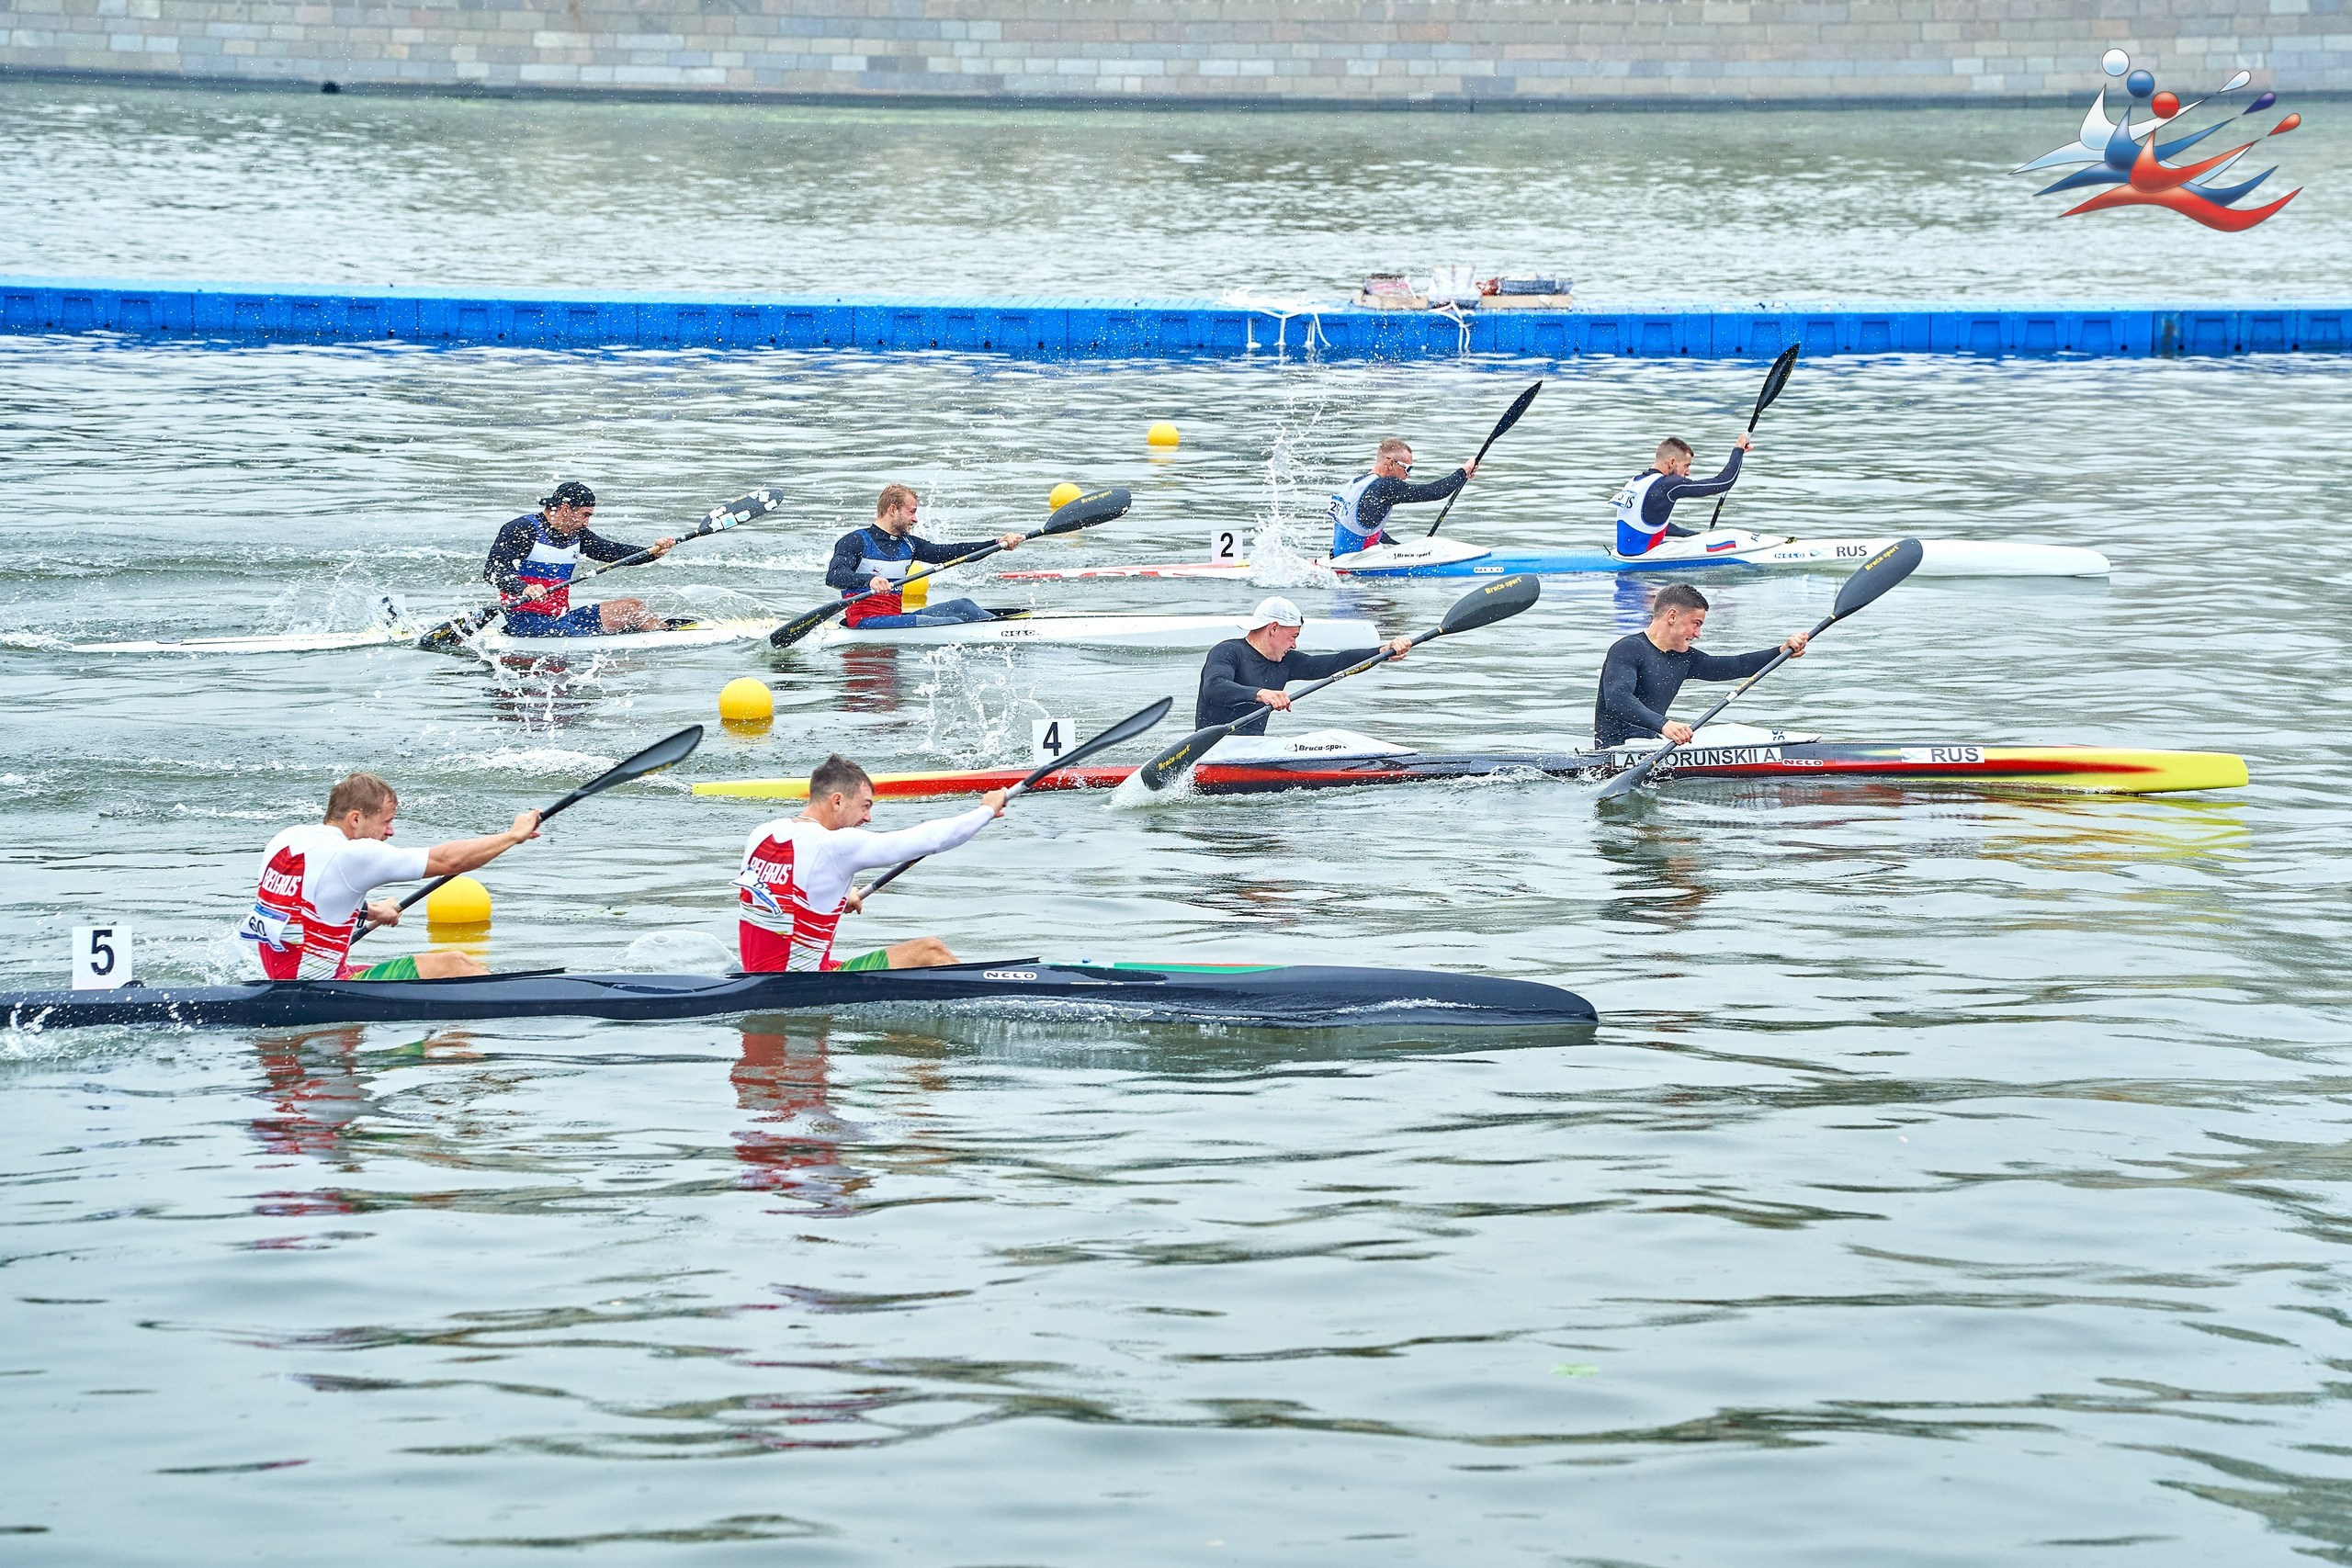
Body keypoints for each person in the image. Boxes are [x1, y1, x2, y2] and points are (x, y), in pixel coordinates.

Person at [241, 773, 540, 982]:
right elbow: (448, 860)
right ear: (356, 818)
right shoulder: (353, 855)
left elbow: (304, 902)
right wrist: (512, 836)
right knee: (455, 964)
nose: (391, 832)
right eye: (386, 821)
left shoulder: (287, 839)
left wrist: (370, 911)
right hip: (320, 986)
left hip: (284, 977)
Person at [736, 754, 1010, 973]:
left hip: (758, 977)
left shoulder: (762, 834)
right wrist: (986, 810)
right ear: (838, 801)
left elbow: (781, 898)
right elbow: (932, 840)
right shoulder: (835, 846)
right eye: (865, 806)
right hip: (799, 986)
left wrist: (840, 895)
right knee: (930, 951)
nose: (868, 817)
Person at [1593, 583, 1808, 748]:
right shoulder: (1628, 648)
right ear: (1672, 616)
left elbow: (1737, 665)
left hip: (1653, 746)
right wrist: (1665, 725)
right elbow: (1617, 698)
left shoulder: (1685, 659)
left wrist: (1781, 651)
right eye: (1696, 624)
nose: (1698, 634)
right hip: (1615, 751)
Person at [482, 480, 677, 636]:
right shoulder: (522, 529)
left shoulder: (577, 535)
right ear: (565, 509)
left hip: (561, 618)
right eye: (585, 515)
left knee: (634, 608)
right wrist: (524, 588)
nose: (587, 523)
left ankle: (665, 634)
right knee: (589, 638)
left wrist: (653, 552)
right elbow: (493, 571)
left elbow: (613, 552)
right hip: (526, 622)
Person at [1193, 596, 1413, 734]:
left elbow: (1335, 663)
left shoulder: (1286, 662)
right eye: (1293, 636)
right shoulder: (1229, 651)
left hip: (1252, 749)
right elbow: (1214, 687)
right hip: (1213, 747)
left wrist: (1381, 652)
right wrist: (1261, 694)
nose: (1295, 644)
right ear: (1274, 628)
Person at [826, 484, 1023, 629]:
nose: (915, 519)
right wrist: (869, 580)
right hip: (865, 622)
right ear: (893, 509)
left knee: (963, 606)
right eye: (911, 512)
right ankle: (1000, 633)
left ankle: (1005, 629)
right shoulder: (856, 541)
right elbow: (834, 576)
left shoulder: (909, 544)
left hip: (894, 617)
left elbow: (952, 552)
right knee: (953, 624)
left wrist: (997, 544)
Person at [1328, 438, 1479, 558]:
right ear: (1391, 463)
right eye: (1407, 469)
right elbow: (1435, 492)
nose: (1408, 475)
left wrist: (1406, 549)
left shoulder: (1355, 483)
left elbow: (1367, 532)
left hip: (1339, 557)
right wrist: (1463, 471)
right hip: (1356, 563)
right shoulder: (1385, 486)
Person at [1611, 432, 1754, 558]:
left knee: (1702, 538)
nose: (1688, 472)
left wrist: (1695, 535)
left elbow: (1655, 525)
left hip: (1624, 554)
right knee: (1731, 538)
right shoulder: (1667, 484)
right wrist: (1738, 450)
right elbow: (1725, 482)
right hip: (1645, 557)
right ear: (1672, 462)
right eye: (1687, 465)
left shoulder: (1635, 482)